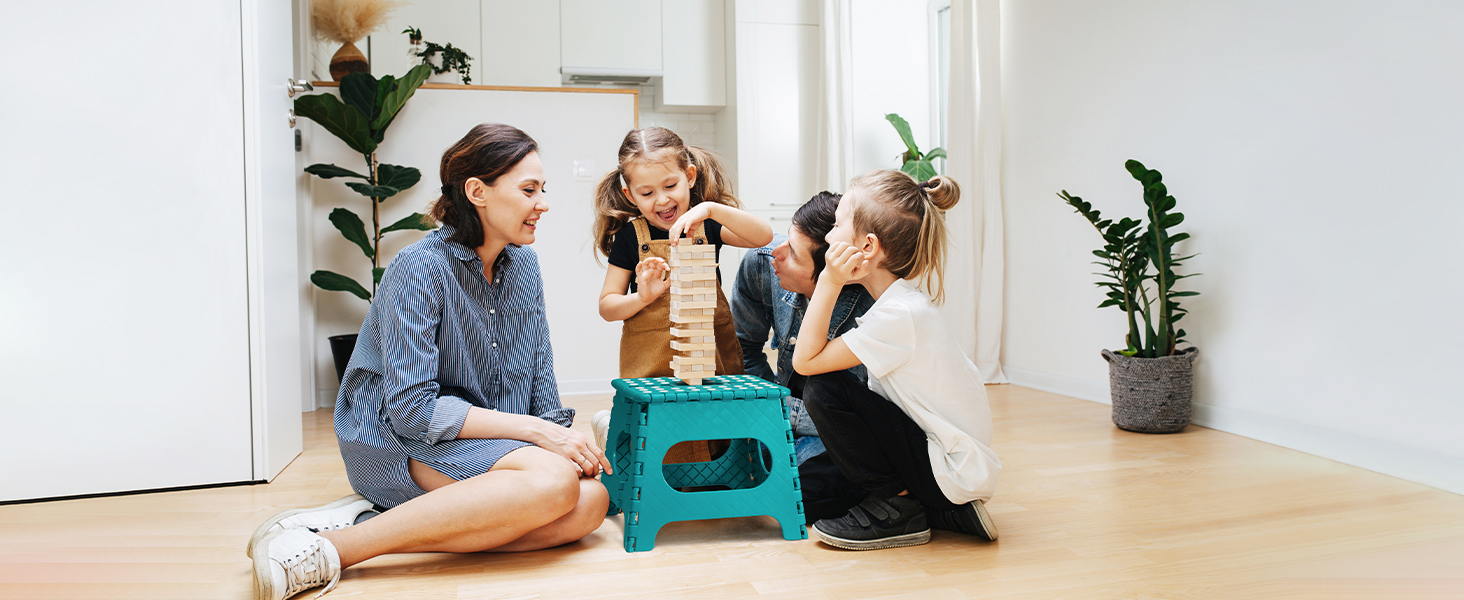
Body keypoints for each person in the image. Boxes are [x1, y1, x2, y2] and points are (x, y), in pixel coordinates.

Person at [248, 124, 611, 600]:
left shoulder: (523, 265)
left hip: (484, 437)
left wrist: (557, 435)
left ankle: (381, 522)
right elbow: (414, 410)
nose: (543, 203)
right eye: (529, 190)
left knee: (589, 503)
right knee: (550, 483)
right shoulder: (418, 267)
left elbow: (538, 371)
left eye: (542, 190)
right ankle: (331, 550)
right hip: (398, 437)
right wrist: (537, 435)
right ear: (477, 192)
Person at [791, 170, 1001, 551]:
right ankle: (937, 510)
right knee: (806, 494)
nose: (828, 237)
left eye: (837, 225)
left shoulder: (899, 316)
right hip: (943, 464)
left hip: (946, 469)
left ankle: (898, 506)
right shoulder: (900, 304)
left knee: (822, 389)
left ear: (868, 247)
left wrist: (829, 281)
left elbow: (805, 363)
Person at [729, 191, 873, 522]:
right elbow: (742, 348)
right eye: (787, 237)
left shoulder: (871, 307)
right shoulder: (762, 264)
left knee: (799, 494)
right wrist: (770, 408)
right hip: (778, 408)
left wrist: (785, 416)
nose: (775, 254)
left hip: (828, 427)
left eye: (793, 254)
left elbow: (855, 415)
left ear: (831, 274)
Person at [593, 127, 773, 379]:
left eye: (670, 185)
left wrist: (711, 209)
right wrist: (642, 298)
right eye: (647, 193)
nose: (662, 200)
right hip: (651, 372)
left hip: (710, 363)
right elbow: (607, 307)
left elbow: (763, 236)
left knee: (712, 417)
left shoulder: (706, 224)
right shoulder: (630, 237)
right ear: (630, 195)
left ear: (689, 176)